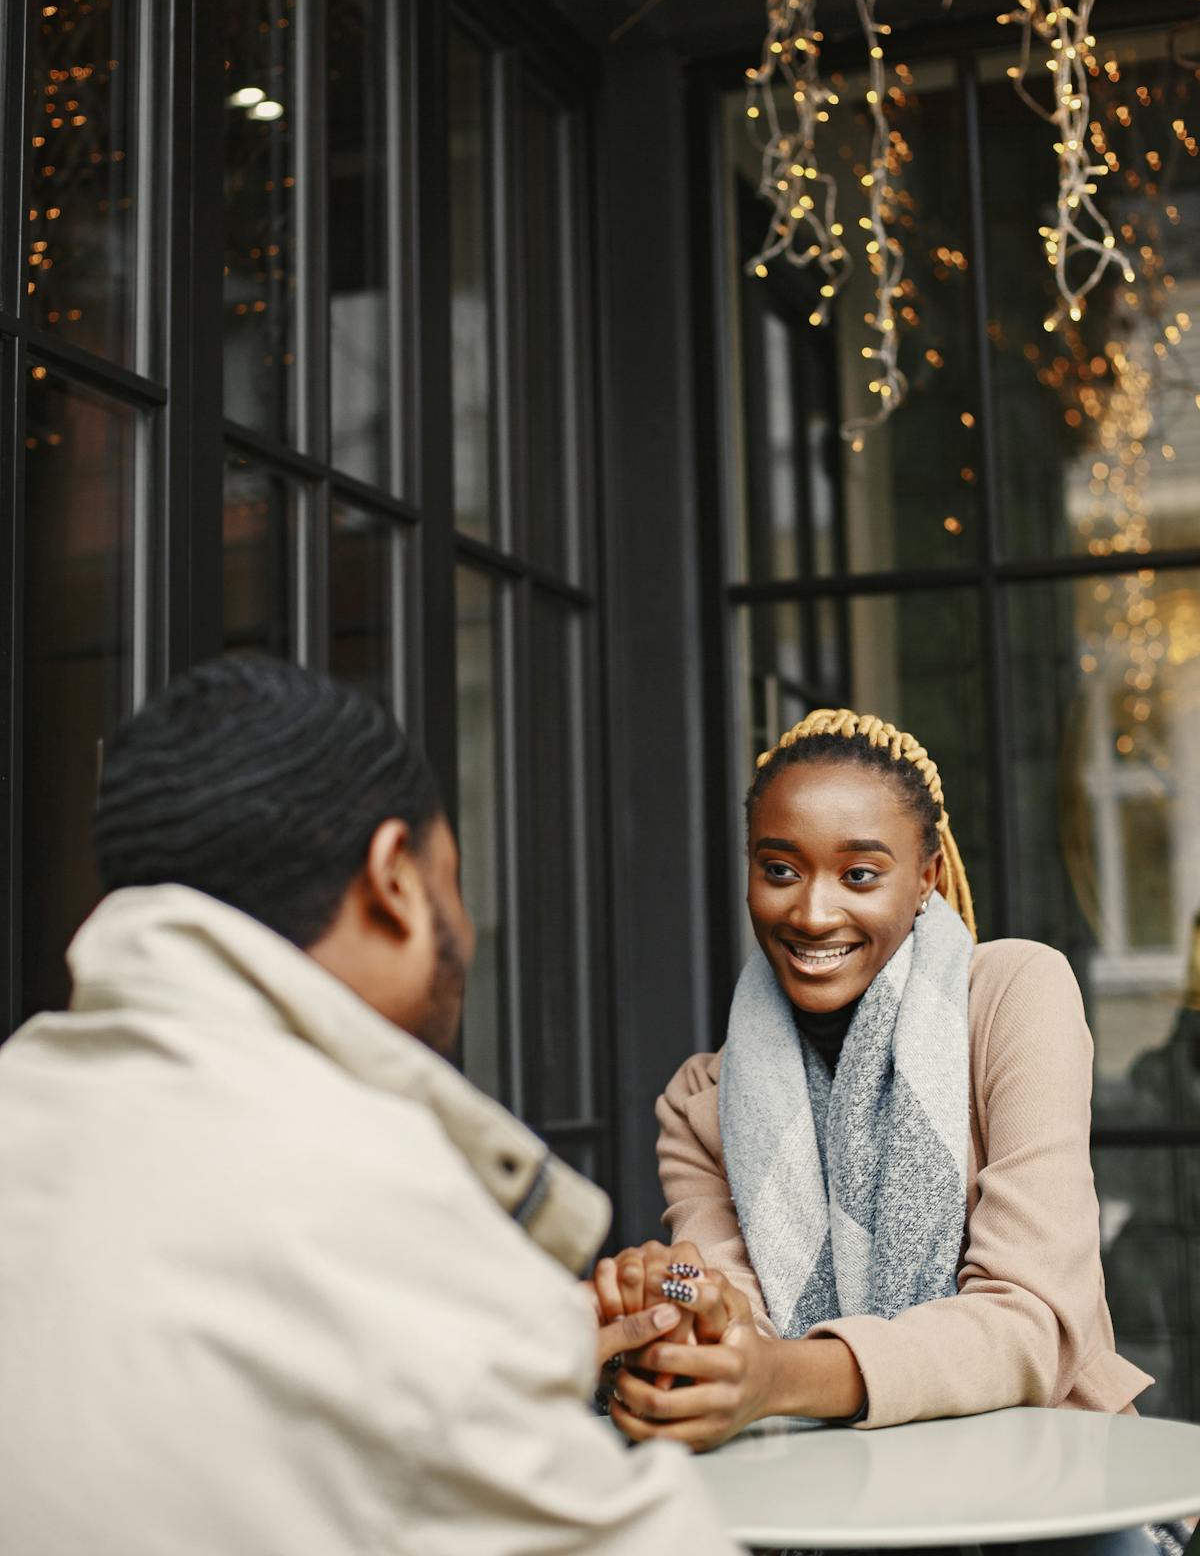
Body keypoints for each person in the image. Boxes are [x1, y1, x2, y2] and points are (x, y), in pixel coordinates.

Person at [0, 655, 737, 1556]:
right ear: (395, 878)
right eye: (453, 879)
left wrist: (514, 1350)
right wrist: (488, 1349)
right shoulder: (375, 1198)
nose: (462, 930)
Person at [593, 707, 1153, 1458]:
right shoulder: (701, 1099)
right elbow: (736, 1322)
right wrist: (671, 1309)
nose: (814, 912)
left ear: (925, 879)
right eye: (780, 870)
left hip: (1048, 1482)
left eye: (859, 874)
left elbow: (1032, 1322)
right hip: (824, 1496)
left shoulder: (1014, 995)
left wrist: (779, 1376)